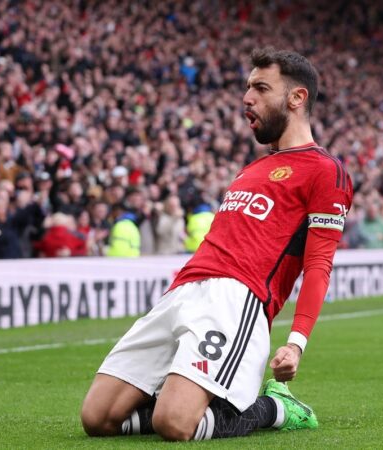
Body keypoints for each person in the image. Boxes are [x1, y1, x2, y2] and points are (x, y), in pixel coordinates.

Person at [81, 47, 353, 441]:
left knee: (174, 424)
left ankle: (275, 406)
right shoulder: (251, 169)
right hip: (182, 291)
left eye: (261, 88)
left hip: (236, 298)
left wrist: (295, 344)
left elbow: (318, 265)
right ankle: (190, 397)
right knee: (98, 418)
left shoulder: (326, 171)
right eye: (247, 87)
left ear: (297, 98)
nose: (247, 97)